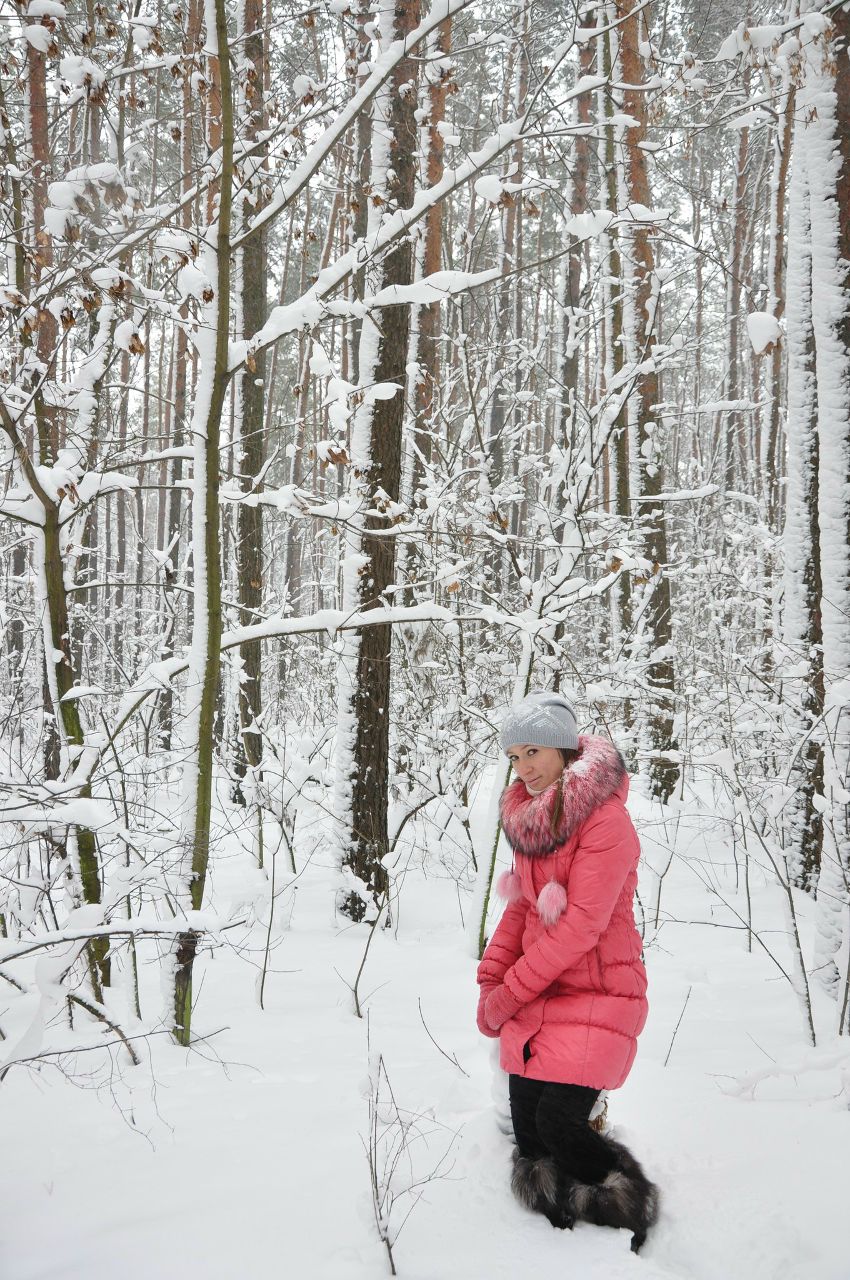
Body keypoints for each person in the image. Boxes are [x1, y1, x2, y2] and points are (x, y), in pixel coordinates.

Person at [476, 690, 659, 1253]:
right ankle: (555, 1219)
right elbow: (522, 907)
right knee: (529, 1134)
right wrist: (490, 977)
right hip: (544, 989)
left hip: (598, 990)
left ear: (563, 750)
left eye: (533, 751)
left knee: (557, 1122)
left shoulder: (606, 824)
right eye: (514, 756)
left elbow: (580, 927)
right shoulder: (533, 822)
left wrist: (510, 992)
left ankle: (623, 1195)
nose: (523, 766)